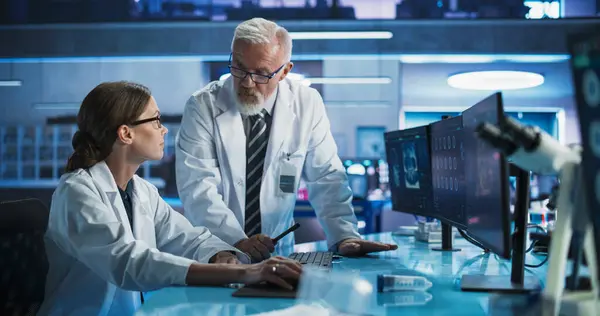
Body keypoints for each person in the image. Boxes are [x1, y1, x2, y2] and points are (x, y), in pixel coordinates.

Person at [38, 81, 302, 316]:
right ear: (126, 133)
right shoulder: (77, 191)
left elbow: (188, 238)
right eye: (155, 120)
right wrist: (244, 272)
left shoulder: (142, 191)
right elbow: (128, 262)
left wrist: (219, 255)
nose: (163, 130)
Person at [175, 18, 397, 263]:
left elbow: (326, 177)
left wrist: (344, 236)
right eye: (238, 68)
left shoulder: (306, 104)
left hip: (278, 254)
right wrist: (237, 239)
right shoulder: (202, 106)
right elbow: (197, 188)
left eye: (260, 73)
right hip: (218, 251)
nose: (247, 83)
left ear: (285, 71)